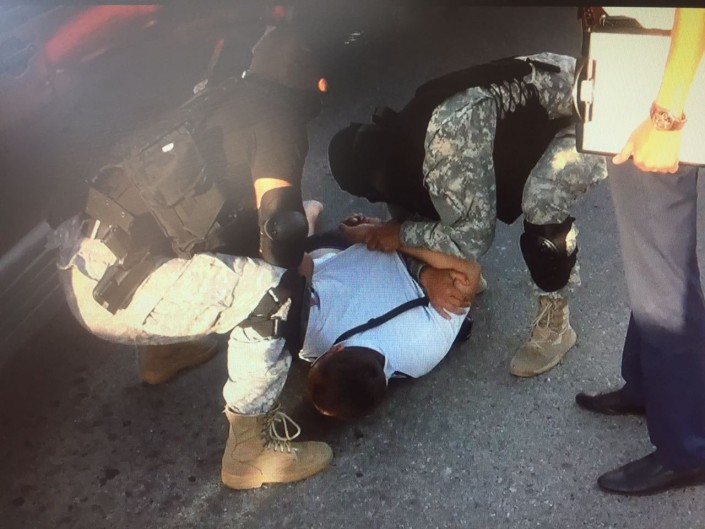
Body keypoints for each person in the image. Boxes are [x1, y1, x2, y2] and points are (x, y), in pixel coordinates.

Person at [49, 26, 333, 490]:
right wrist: (301, 261)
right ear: (318, 83)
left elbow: (208, 215)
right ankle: (249, 451)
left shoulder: (214, 95)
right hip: (119, 293)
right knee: (275, 287)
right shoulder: (277, 116)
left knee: (192, 237)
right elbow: (281, 232)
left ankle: (163, 353)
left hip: (79, 266)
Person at [328, 52, 607, 377]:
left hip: (588, 113)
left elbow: (474, 236)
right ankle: (452, 266)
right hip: (536, 122)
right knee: (423, 199)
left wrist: (398, 235)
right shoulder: (403, 142)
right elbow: (417, 199)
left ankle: (556, 328)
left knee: (541, 201)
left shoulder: (443, 142)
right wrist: (393, 230)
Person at [575, 8, 705, 495]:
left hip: (658, 86)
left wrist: (667, 116)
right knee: (650, 261)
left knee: (664, 284)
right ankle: (649, 387)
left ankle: (687, 448)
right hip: (637, 63)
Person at [300, 221, 481, 421]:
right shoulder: (312, 334)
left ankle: (312, 215)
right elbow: (469, 272)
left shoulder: (423, 356)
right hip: (379, 239)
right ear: (336, 350)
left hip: (362, 243)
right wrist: (392, 240)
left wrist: (381, 235)